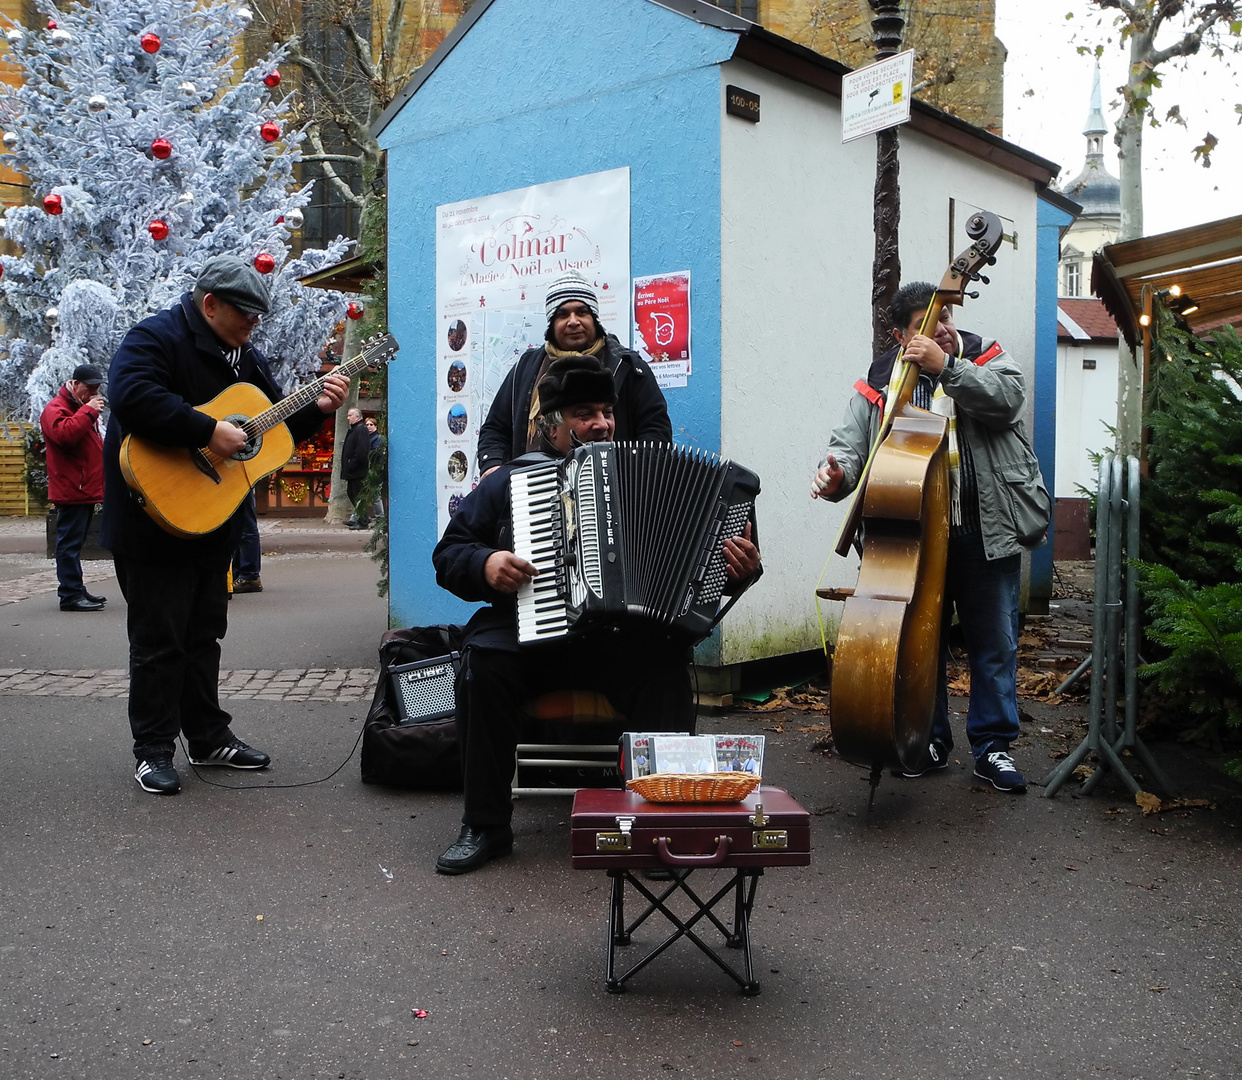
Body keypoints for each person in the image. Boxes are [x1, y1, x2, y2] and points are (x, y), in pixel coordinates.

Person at [432, 355, 760, 874]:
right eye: (585, 412)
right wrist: (485, 562)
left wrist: (738, 569)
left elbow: (710, 565)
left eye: (606, 411)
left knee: (665, 666)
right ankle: (486, 824)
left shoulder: (646, 471)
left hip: (618, 641)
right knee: (483, 661)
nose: (601, 423)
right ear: (552, 424)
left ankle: (659, 826)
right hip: (529, 631)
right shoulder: (510, 481)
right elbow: (448, 554)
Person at [100, 254, 350, 795]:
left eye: (258, 318)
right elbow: (132, 396)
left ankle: (209, 738)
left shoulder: (243, 356)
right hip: (152, 520)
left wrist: (319, 408)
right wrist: (205, 430)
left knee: (203, 634)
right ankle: (153, 751)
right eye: (247, 315)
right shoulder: (155, 337)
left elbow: (266, 431)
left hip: (211, 520)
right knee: (158, 640)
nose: (254, 326)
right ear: (210, 304)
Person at [810, 281, 1050, 794]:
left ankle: (993, 748)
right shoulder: (880, 379)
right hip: (913, 537)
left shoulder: (986, 355)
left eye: (943, 317)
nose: (940, 328)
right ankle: (930, 738)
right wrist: (834, 474)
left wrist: (947, 366)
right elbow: (849, 448)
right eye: (924, 323)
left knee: (994, 643)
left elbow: (1007, 402)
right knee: (920, 643)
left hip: (985, 527)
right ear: (900, 336)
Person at [475, 270, 672, 477]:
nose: (573, 321)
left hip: (609, 493)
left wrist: (630, 477)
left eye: (581, 312)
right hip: (534, 495)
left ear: (594, 318)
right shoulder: (526, 367)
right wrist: (493, 466)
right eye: (562, 314)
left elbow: (655, 432)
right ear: (551, 323)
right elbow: (495, 428)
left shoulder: (627, 366)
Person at [41, 363, 108, 612]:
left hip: (83, 488)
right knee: (68, 545)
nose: (94, 392)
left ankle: (76, 590)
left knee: (74, 543)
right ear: (75, 384)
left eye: (97, 388)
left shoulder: (78, 407)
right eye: (90, 387)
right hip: (72, 490)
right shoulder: (56, 409)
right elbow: (64, 435)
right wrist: (89, 412)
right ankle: (69, 594)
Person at [340, 407, 371, 529]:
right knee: (352, 493)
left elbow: (362, 451)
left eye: (350, 415)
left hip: (357, 470)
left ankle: (363, 521)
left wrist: (352, 463)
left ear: (357, 417)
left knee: (357, 494)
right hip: (353, 470)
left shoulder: (360, 430)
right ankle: (361, 517)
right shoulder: (356, 430)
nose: (348, 418)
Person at [231, 490, 262, 593]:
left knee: (245, 526)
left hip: (240, 479)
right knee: (238, 526)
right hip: (239, 479)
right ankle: (239, 572)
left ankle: (249, 576)